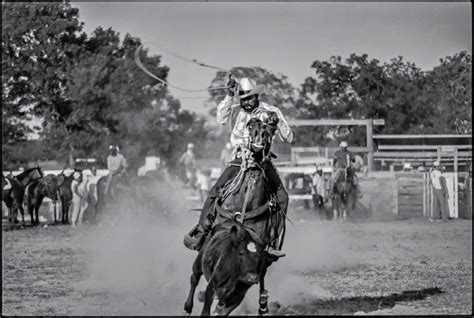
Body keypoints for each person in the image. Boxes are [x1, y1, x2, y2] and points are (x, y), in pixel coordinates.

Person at [184, 76, 293, 258]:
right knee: (215, 191)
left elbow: (288, 137)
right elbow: (220, 118)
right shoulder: (235, 111)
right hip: (238, 160)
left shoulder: (271, 111)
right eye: (243, 99)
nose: (246, 103)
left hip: (263, 163)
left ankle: (272, 241)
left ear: (257, 96)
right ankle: (202, 232)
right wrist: (229, 95)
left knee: (282, 197)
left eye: (249, 98)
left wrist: (278, 122)